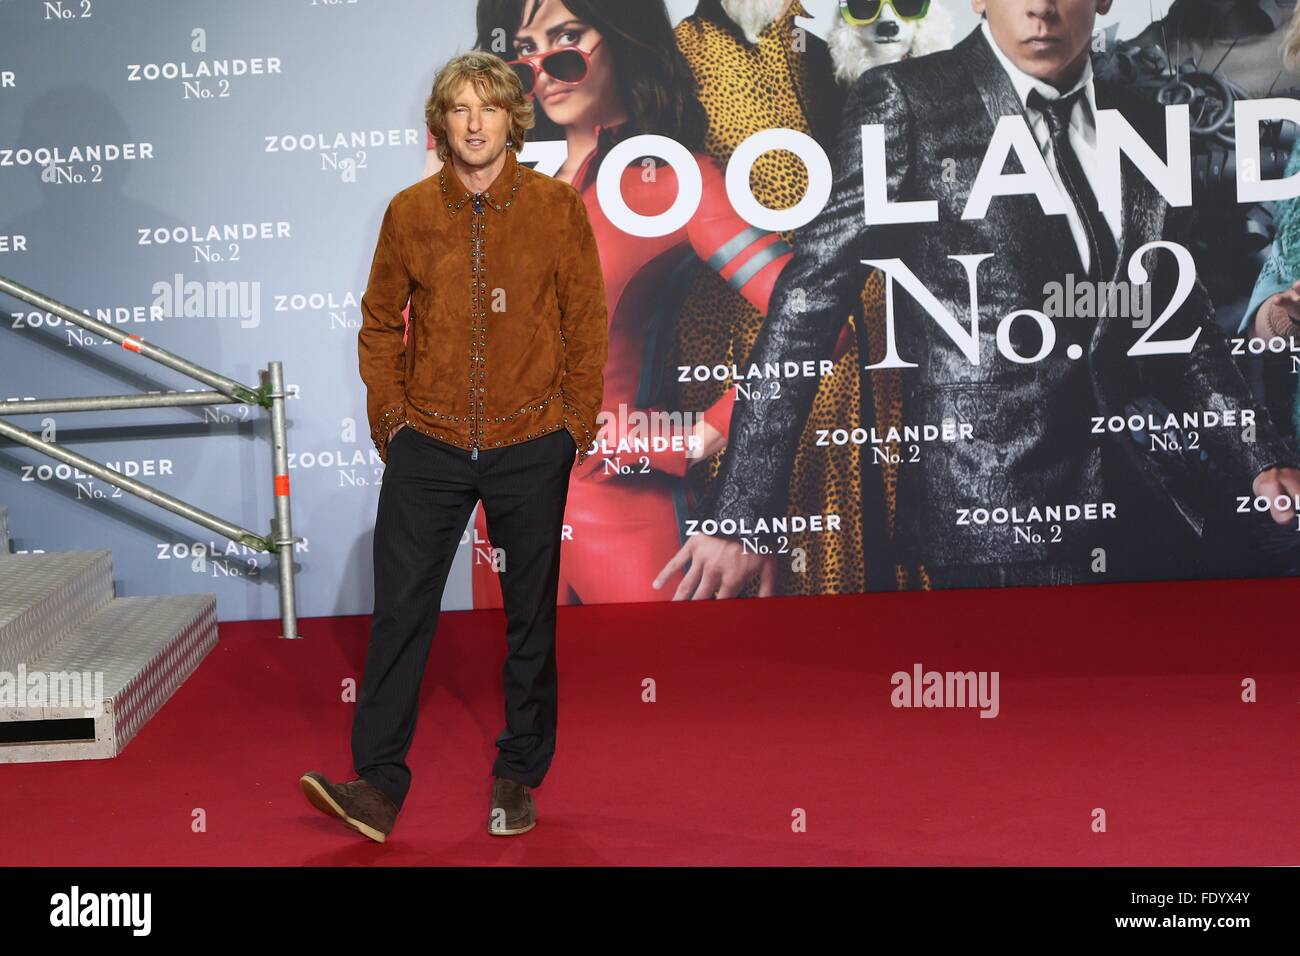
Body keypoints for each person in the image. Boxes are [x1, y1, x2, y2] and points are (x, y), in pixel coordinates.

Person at [657, 0, 1300, 597]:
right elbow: (808, 303)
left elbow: (1173, 320)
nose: (1040, 10)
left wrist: (1260, 457)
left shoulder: (1139, 118)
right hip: (988, 514)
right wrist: (741, 514)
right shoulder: (906, 101)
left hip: (1136, 506)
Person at [299, 49, 608, 841]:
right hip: (427, 444)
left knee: (529, 619)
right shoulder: (408, 212)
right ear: (441, 124)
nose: (475, 123)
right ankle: (376, 783)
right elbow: (377, 325)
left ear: (513, 119)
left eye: (490, 108)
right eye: (460, 109)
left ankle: (518, 774)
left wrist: (573, 426)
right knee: (401, 614)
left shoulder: (555, 208)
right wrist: (391, 423)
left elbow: (586, 323)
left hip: (531, 439)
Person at [467, 0, 793, 606]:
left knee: (668, 700)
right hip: (501, 523)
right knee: (505, 700)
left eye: (568, 38)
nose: (545, 70)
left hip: (625, 521)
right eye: (525, 50)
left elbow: (816, 316)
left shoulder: (670, 180)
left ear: (621, 35)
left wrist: (699, 434)